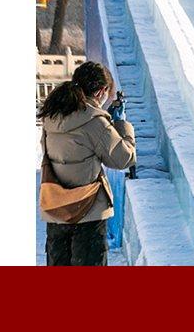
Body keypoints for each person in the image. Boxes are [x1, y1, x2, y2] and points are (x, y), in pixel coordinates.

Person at [37, 61, 137, 266]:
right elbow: (123, 159)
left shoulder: (51, 116)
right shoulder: (95, 122)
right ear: (100, 91)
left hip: (56, 210)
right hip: (88, 213)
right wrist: (121, 124)